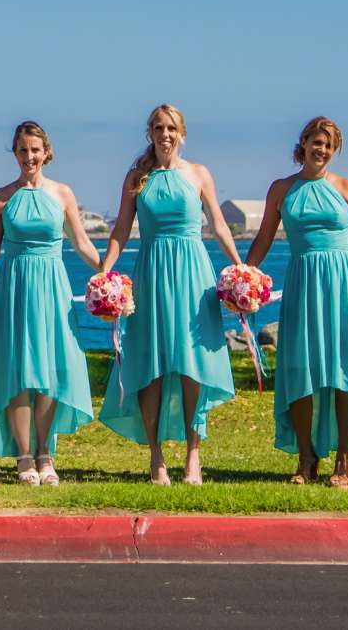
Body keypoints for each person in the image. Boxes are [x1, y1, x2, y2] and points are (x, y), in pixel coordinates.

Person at [97, 103, 241, 484]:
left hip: (193, 273)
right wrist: (105, 271)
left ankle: (193, 453)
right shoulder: (137, 177)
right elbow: (121, 230)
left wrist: (240, 266)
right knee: (152, 365)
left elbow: (219, 225)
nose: (165, 134)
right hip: (151, 272)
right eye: (158, 128)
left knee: (192, 363)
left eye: (172, 128)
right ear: (150, 132)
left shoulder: (198, 174)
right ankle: (156, 455)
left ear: (183, 133)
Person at [243, 115, 348, 487]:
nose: (321, 149)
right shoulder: (282, 189)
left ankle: (344, 456)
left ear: (334, 151)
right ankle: (306, 457)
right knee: (300, 367)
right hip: (303, 280)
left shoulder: (347, 187)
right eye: (316, 142)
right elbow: (263, 238)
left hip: (345, 282)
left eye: (328, 144)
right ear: (303, 144)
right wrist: (243, 276)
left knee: (345, 367)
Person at [0, 120, 101, 484]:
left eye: (35, 150)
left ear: (47, 153)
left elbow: (82, 243)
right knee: (17, 371)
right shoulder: (1, 198)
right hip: (14, 287)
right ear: (15, 153)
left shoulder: (63, 194)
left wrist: (107, 273)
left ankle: (46, 453)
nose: (29, 156)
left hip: (52, 288)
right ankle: (24, 456)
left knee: (52, 370)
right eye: (23, 150)